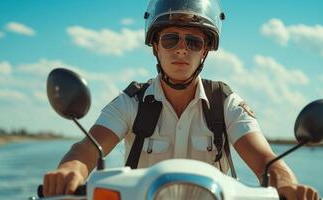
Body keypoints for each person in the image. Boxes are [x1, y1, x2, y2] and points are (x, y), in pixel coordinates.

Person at [43, 0, 319, 199]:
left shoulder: (226, 103)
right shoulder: (130, 102)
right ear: (155, 46)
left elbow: (266, 160)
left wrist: (287, 183)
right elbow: (87, 149)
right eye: (171, 39)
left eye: (194, 42)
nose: (182, 50)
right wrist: (71, 170)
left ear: (205, 51)